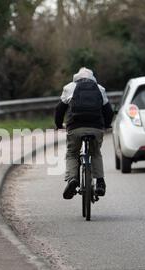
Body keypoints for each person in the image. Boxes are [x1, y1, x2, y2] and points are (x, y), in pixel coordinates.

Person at [54, 67, 114, 200]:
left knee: (72, 153)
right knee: (96, 152)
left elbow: (59, 109)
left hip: (75, 128)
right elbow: (108, 111)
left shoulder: (69, 87)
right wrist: (107, 124)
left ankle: (72, 179)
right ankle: (100, 182)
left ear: (76, 77)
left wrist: (59, 125)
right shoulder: (100, 88)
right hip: (96, 128)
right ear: (93, 77)